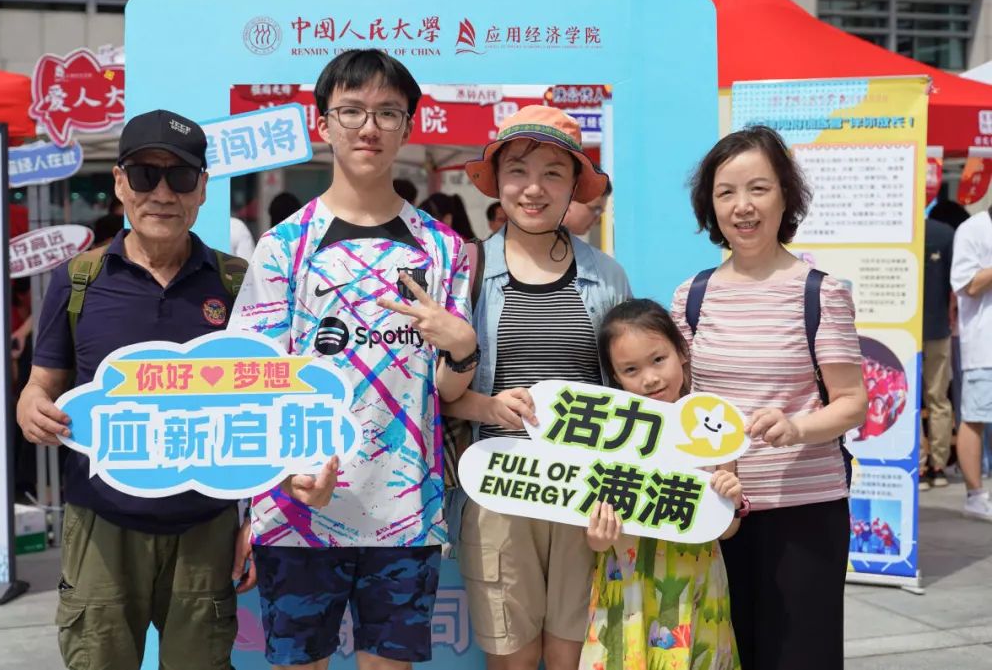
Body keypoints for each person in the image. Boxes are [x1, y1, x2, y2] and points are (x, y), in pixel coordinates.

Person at [227, 49, 477, 670]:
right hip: (300, 506)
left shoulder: (443, 249)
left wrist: (462, 348)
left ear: (408, 125)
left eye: (388, 112)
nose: (370, 127)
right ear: (324, 123)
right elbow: (252, 381)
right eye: (352, 111)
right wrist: (281, 478)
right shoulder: (283, 247)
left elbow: (448, 392)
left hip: (406, 510)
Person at [15, 109, 249, 670]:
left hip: (206, 526)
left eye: (180, 176)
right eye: (145, 175)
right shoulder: (78, 280)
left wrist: (260, 519)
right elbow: (41, 384)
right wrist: (31, 407)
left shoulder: (237, 283)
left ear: (203, 188)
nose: (162, 193)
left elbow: (268, 406)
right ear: (120, 182)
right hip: (102, 522)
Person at [670, 125, 867, 670]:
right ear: (710, 205)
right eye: (726, 192)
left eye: (758, 188)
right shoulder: (691, 296)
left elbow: (852, 401)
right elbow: (682, 401)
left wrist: (797, 427)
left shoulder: (820, 292)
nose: (743, 206)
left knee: (800, 656)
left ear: (785, 196)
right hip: (715, 509)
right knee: (721, 654)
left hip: (804, 513)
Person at [445, 105, 631, 670]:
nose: (534, 188)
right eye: (519, 171)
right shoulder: (467, 270)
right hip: (498, 490)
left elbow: (627, 392)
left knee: (577, 656)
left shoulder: (607, 276)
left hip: (586, 494)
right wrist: (488, 406)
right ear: (497, 182)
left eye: (553, 173)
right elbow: (433, 393)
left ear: (575, 185)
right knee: (513, 658)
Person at [579, 299, 743, 670]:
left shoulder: (714, 428)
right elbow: (594, 538)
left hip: (695, 584)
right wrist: (598, 536)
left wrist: (732, 498)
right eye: (631, 369)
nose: (650, 378)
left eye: (658, 360)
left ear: (681, 352)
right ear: (615, 377)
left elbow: (728, 529)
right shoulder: (608, 435)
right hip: (627, 585)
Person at [950, 205, 992, 520]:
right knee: (975, 417)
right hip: (984, 345)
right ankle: (975, 496)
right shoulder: (973, 229)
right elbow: (968, 285)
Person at [920, 217, 955, 490]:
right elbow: (954, 286)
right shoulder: (944, 232)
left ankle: (919, 464)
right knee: (938, 399)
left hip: (901, 329)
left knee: (908, 398)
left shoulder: (894, 231)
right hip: (938, 326)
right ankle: (938, 466)